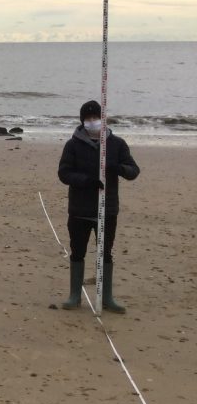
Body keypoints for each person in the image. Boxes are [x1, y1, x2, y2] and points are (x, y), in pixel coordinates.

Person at [57, 100, 140, 313]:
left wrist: (118, 168)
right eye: (88, 119)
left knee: (106, 252)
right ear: (82, 121)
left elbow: (133, 170)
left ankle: (107, 297)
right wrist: (85, 181)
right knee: (78, 251)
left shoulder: (117, 144)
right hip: (80, 209)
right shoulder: (73, 145)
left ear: (103, 120)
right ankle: (75, 295)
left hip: (107, 209)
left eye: (96, 118)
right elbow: (64, 173)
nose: (92, 122)